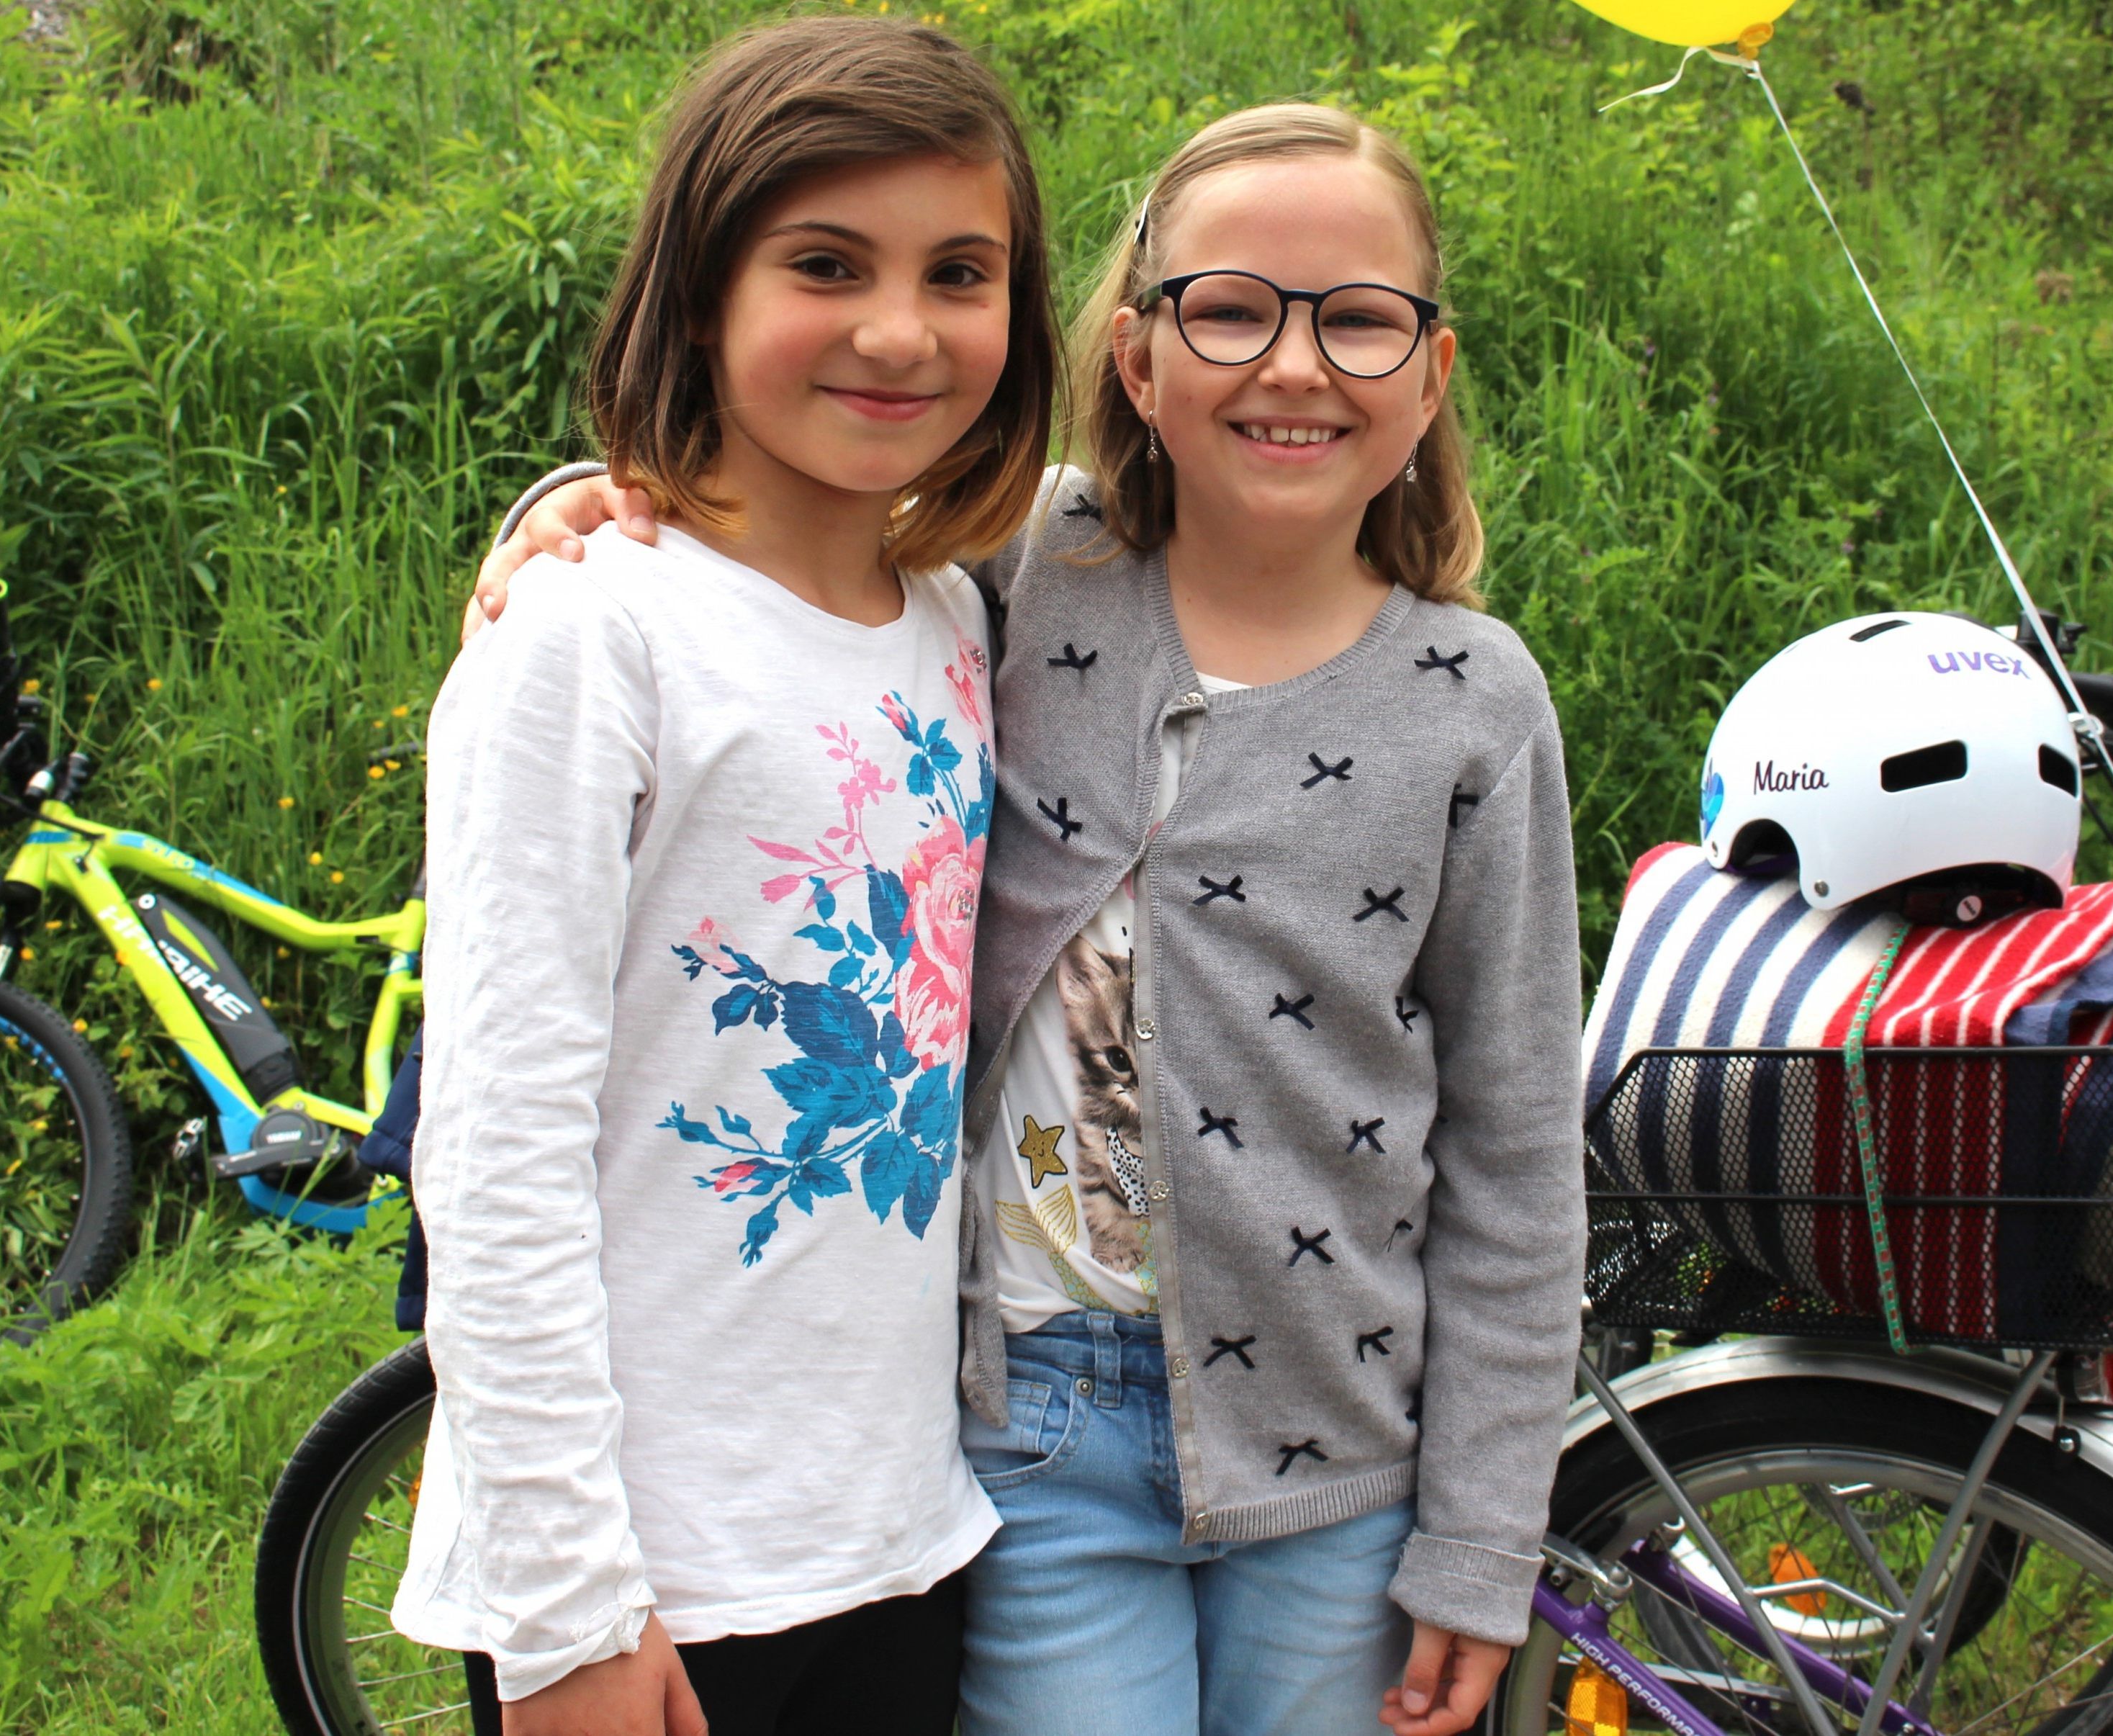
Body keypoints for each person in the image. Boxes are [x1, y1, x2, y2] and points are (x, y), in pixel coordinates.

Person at [476, 102, 1585, 1736]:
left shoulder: (1475, 701)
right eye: (1229, 308)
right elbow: (791, 532)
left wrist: (1486, 1535)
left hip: (1348, 1444)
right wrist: (584, 498)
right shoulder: (1027, 567)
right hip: (1032, 1429)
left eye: (1358, 319)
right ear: (1138, 359)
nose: (1293, 364)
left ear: (1427, 374)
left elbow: (1513, 1147)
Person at [395, 14, 1058, 1736]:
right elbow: (493, 1149)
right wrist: (566, 1611)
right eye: (825, 264)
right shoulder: (592, 635)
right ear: (700, 288)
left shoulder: (957, 621)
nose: (902, 331)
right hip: (653, 1581)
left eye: (962, 271)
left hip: (901, 1530)